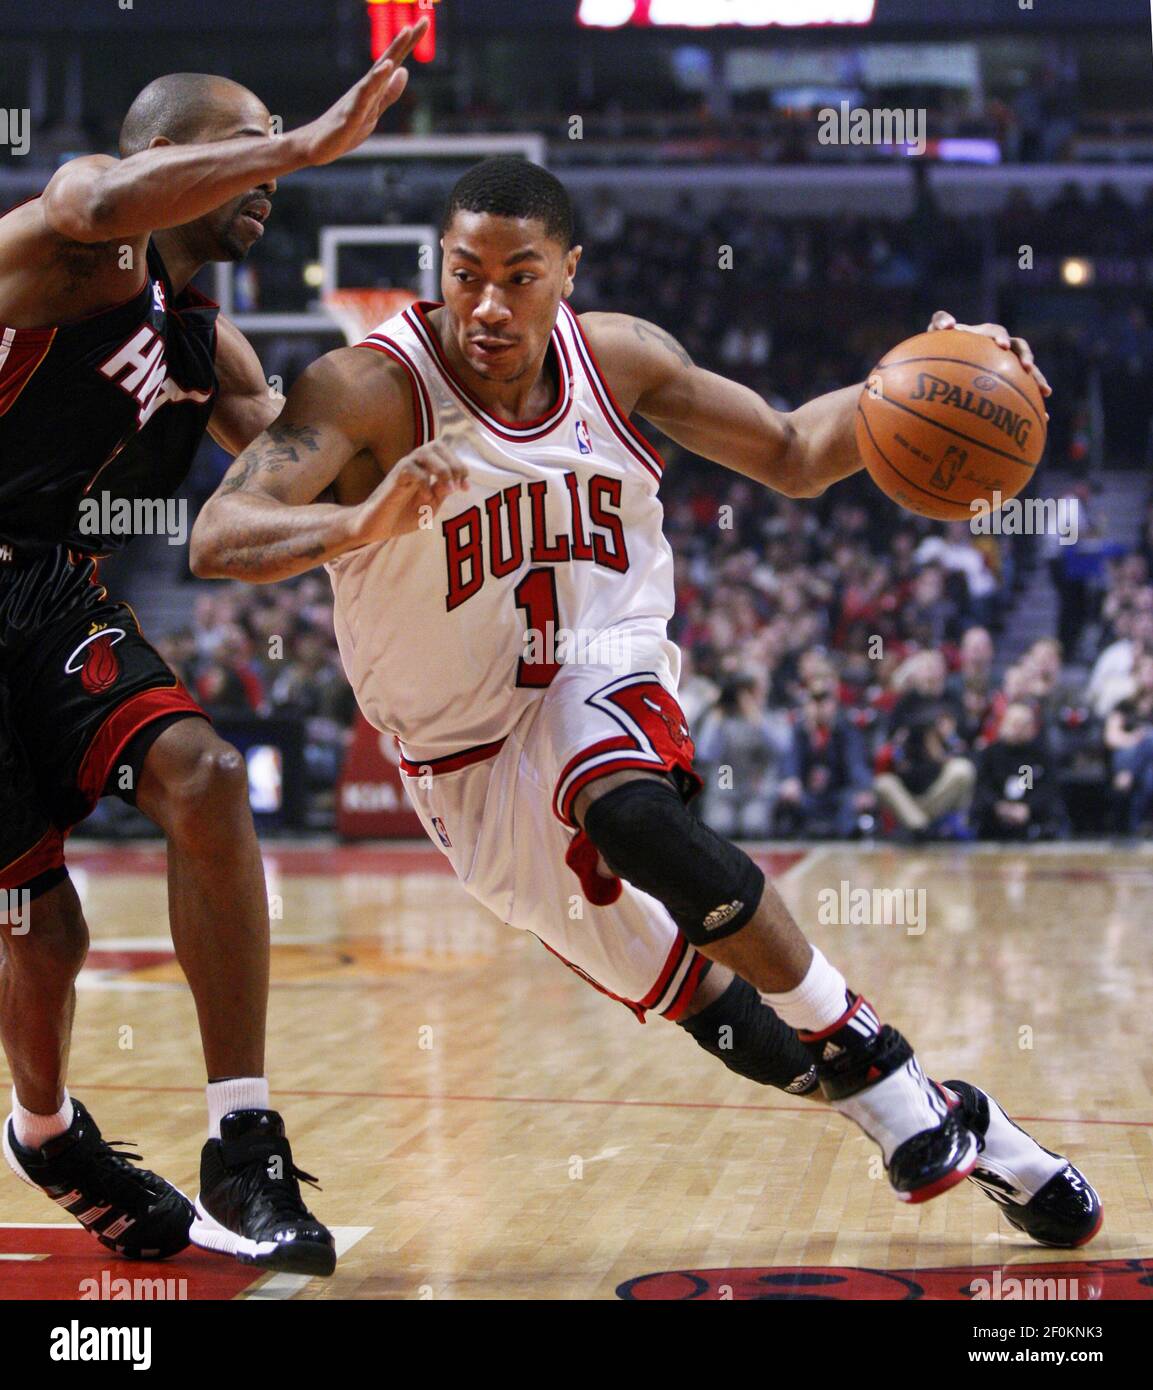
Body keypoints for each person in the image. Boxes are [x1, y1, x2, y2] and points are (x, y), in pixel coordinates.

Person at [191, 157, 1100, 1245]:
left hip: (597, 659)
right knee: (747, 1034)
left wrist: (934, 376)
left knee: (621, 804)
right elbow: (217, 536)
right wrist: (360, 522)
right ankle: (962, 1119)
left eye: (519, 276)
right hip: (462, 768)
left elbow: (798, 452)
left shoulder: (618, 361)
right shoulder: (366, 390)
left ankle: (872, 1052)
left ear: (567, 273)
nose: (487, 303)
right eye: (463, 272)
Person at [0, 21, 428, 1275]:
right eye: (243, 148)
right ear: (166, 153)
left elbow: (318, 476)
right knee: (42, 925)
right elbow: (92, 188)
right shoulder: (71, 236)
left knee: (208, 775)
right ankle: (47, 1132)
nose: (275, 176)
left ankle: (242, 1141)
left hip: (49, 592)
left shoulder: (207, 344)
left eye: (279, 154)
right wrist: (306, 131)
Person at [972, 702, 1066, 841]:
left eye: (1024, 725)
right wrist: (999, 807)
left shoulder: (1039, 755)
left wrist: (1027, 807)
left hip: (1030, 819)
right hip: (993, 817)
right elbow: (982, 787)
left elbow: (1045, 787)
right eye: (1014, 724)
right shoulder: (990, 754)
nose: (1019, 729)